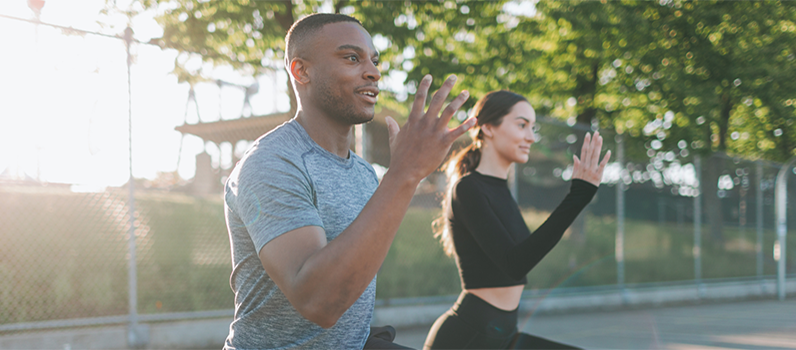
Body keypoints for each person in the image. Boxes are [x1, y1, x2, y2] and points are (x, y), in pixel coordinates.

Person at [223, 13, 476, 350]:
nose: (373, 72)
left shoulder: (363, 172)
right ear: (302, 71)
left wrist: (403, 176)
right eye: (352, 58)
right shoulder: (271, 163)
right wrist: (405, 173)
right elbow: (319, 303)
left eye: (374, 60)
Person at [423, 90, 611, 350]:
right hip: (467, 338)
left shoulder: (500, 190)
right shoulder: (467, 189)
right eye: (522, 125)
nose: (531, 137)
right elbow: (515, 264)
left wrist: (579, 195)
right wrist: (577, 197)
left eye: (533, 128)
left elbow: (526, 253)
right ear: (488, 127)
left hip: (504, 334)